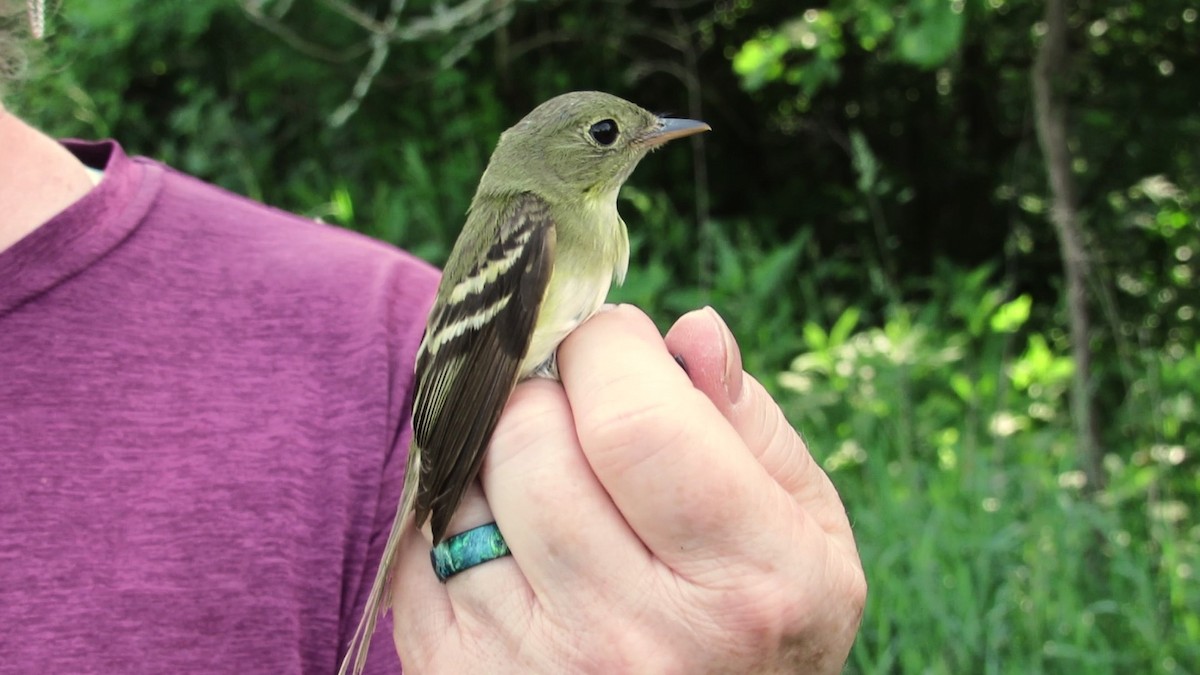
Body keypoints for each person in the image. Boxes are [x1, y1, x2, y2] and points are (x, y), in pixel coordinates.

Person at [0, 13, 865, 675]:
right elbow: (471, 370)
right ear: (558, 159)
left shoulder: (592, 227)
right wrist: (445, 484)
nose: (638, 139)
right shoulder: (530, 219)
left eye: (637, 130)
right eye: (608, 133)